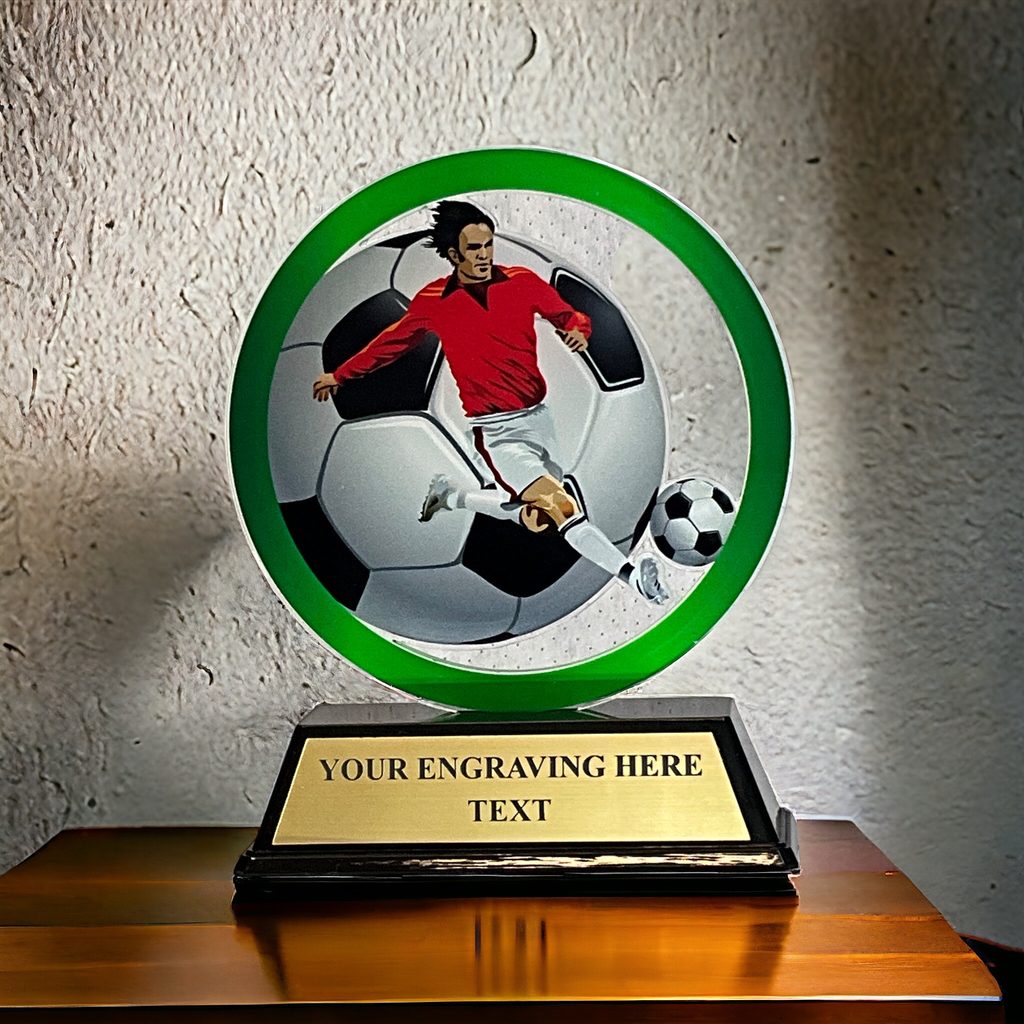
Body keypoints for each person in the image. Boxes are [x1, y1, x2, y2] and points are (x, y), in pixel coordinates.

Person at [313, 200, 667, 604]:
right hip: (498, 433)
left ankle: (452, 496)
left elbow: (567, 314)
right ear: (453, 255)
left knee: (535, 518)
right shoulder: (434, 300)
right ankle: (633, 577)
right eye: (474, 248)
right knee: (561, 507)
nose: (484, 255)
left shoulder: (521, 282)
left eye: (488, 245)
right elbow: (390, 344)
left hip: (541, 419)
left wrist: (577, 329)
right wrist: (340, 375)